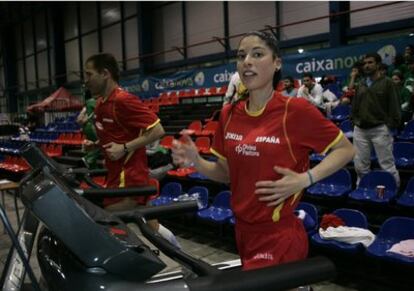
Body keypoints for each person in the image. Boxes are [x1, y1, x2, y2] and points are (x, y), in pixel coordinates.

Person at [172, 31, 354, 271]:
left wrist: (305, 179)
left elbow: (345, 149)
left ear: (277, 62)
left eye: (257, 54)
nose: (247, 61)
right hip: (242, 230)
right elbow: (225, 173)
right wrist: (196, 161)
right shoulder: (228, 114)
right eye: (241, 55)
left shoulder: (296, 110)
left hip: (279, 236)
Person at [83, 53, 180, 248]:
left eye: (89, 74)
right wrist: (95, 145)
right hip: (115, 177)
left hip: (129, 179)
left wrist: (125, 148)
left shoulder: (123, 100)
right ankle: (185, 261)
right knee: (151, 225)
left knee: (100, 219)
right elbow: (114, 138)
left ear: (105, 74)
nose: (86, 81)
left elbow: (158, 131)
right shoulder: (102, 104)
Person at [351, 52, 401, 187]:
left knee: (387, 165)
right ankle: (362, 190)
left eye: (370, 62)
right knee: (360, 166)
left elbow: (395, 106)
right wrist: (354, 120)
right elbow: (355, 105)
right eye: (364, 63)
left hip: (380, 129)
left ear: (378, 64)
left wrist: (390, 126)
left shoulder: (388, 83)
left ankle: (393, 191)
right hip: (360, 129)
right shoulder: (361, 84)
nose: (366, 66)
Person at [76, 90, 100, 169]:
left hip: (85, 127)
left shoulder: (86, 104)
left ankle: (93, 169)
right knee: (99, 144)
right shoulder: (93, 101)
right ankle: (87, 159)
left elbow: (79, 119)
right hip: (92, 125)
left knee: (90, 146)